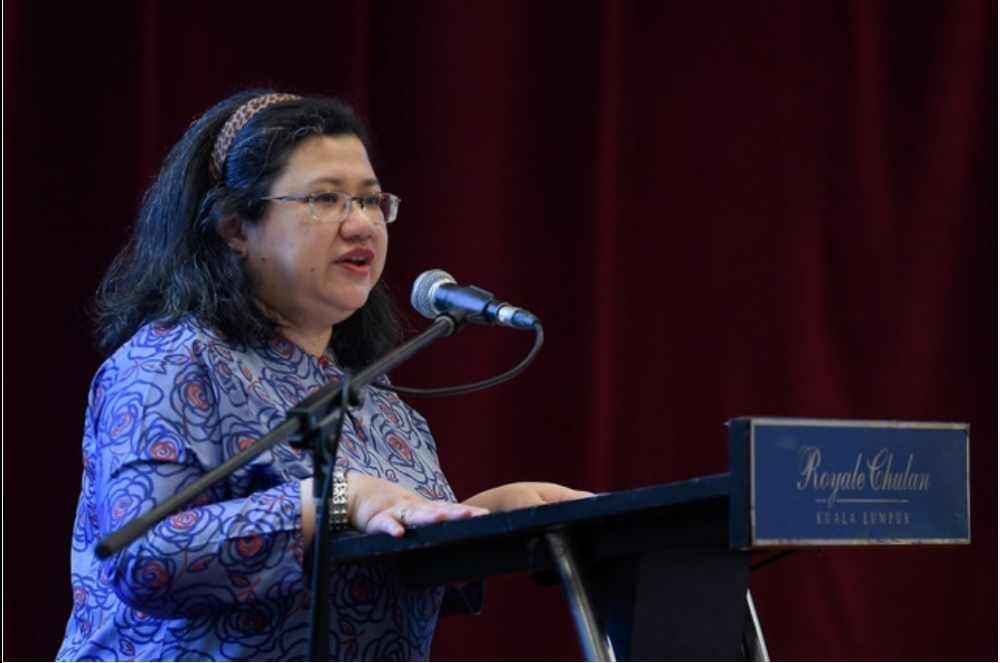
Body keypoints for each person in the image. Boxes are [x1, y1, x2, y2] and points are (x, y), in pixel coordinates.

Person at [56, 89, 590, 661]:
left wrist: (490, 515)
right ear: (236, 226)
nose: (361, 224)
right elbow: (142, 558)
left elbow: (378, 581)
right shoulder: (168, 362)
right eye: (326, 199)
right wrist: (338, 500)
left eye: (370, 201)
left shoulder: (379, 402)